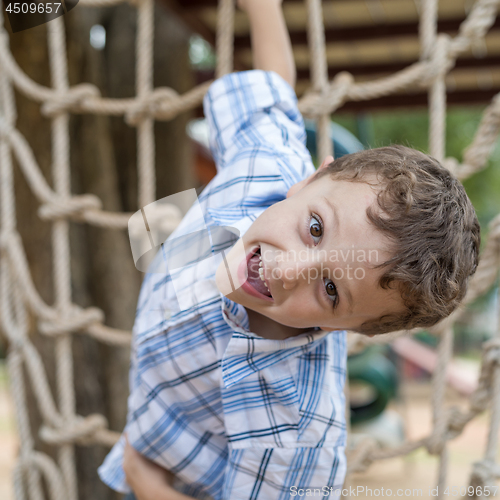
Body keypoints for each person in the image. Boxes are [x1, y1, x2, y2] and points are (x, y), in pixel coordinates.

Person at [98, 0, 480, 498]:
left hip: (165, 465)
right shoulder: (268, 164)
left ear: (349, 330)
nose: (285, 268)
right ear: (309, 178)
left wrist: (147, 484)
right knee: (150, 228)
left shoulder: (296, 425)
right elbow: (274, 90)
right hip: (166, 315)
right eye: (315, 228)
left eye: (330, 289)